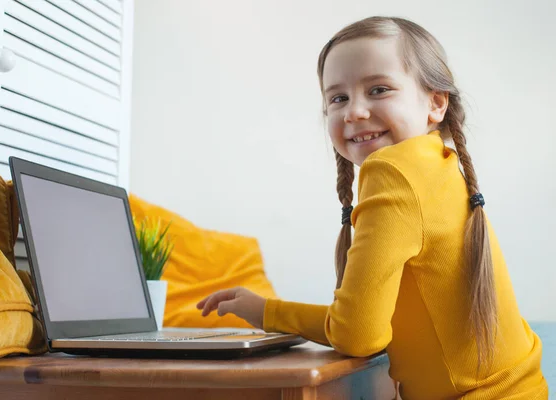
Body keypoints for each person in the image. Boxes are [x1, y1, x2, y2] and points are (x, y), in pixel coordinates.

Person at [196, 16, 548, 399]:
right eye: (338, 98)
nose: (353, 112)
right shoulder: (436, 163)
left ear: (435, 102)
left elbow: (358, 335)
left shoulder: (393, 170)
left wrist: (268, 312)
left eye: (378, 89)